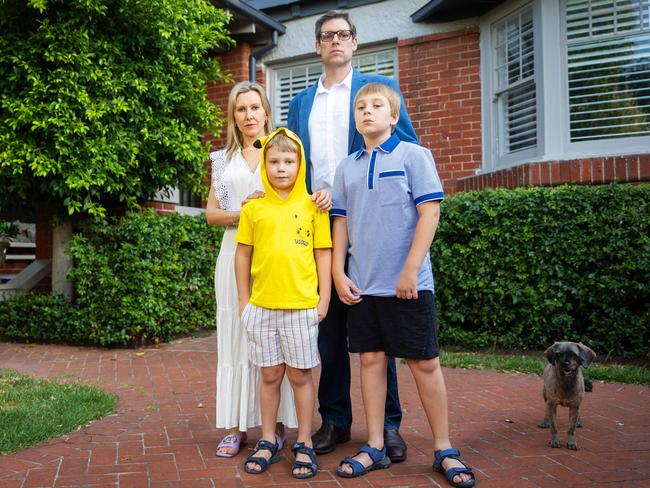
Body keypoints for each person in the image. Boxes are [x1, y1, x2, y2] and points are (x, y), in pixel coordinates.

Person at [286, 9, 417, 461]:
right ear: (318, 46)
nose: (336, 41)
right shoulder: (301, 102)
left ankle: (389, 426)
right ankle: (336, 421)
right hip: (318, 229)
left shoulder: (375, 93)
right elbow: (294, 164)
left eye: (343, 34)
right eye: (327, 36)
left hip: (367, 228)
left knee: (379, 332)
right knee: (330, 331)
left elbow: (407, 149)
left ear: (355, 42)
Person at [330, 82, 475, 487]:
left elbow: (429, 214)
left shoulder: (414, 155)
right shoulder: (347, 167)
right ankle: (374, 446)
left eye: (377, 105)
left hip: (407, 284)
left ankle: (444, 448)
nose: (367, 111)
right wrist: (339, 273)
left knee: (424, 362)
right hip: (362, 285)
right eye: (360, 106)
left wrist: (410, 270)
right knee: (372, 362)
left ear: (394, 117)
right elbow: (340, 222)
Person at [235, 128, 332, 479]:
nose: (281, 168)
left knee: (300, 375)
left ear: (300, 163)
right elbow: (242, 256)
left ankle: (304, 441)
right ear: (264, 163)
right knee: (270, 374)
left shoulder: (313, 205)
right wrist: (245, 301)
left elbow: (323, 253)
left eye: (289, 161)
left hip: (301, 305)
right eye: (274, 161)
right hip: (262, 307)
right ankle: (268, 439)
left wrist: (324, 298)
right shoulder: (254, 208)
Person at [206, 81, 297, 458]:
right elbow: (212, 215)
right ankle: (233, 427)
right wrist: (245, 211)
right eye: (241, 109)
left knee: (271, 341)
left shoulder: (281, 149)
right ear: (233, 115)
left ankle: (272, 427)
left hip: (273, 256)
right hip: (232, 255)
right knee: (234, 337)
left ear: (266, 111)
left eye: (254, 108)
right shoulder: (220, 160)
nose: (248, 115)